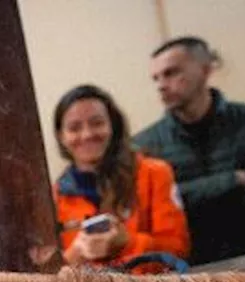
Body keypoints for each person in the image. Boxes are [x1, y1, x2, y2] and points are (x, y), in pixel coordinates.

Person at [133, 36, 245, 265]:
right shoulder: (144, 146)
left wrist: (182, 193)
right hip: (191, 272)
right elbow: (152, 212)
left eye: (171, 73)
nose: (161, 85)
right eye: (156, 78)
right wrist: (232, 180)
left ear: (205, 70)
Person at [53, 84, 190, 269]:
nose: (87, 134)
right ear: (61, 136)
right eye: (74, 128)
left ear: (113, 126)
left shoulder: (154, 174)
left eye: (97, 123)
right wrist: (76, 253)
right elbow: (49, 275)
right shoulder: (54, 198)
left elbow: (178, 250)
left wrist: (128, 243)